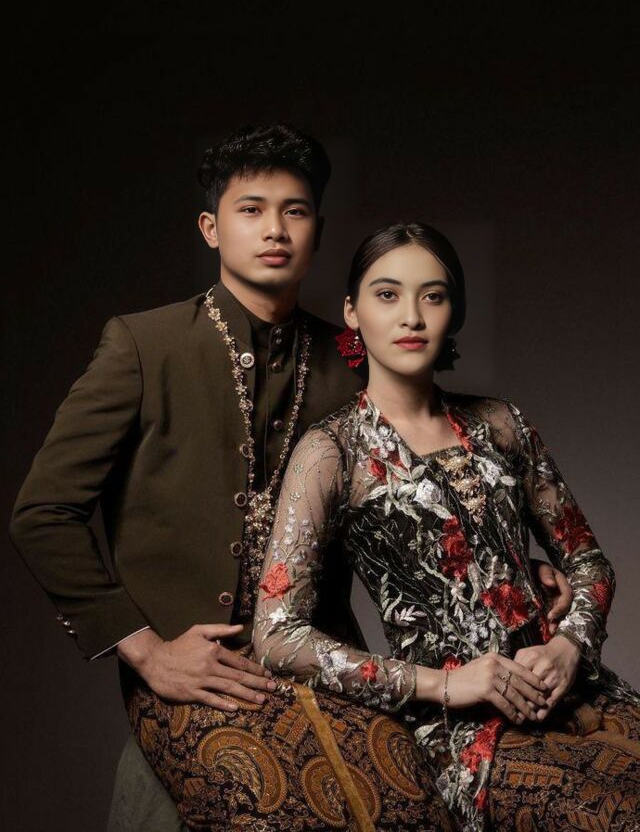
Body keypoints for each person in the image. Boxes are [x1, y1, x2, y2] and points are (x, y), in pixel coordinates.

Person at [10, 124, 571, 831]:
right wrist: (147, 652)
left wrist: (513, 564)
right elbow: (43, 514)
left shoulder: (352, 361)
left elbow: (422, 484)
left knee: (413, 811)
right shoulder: (145, 346)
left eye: (294, 211)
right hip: (193, 676)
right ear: (211, 229)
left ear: (317, 232)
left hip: (325, 666)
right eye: (251, 210)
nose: (274, 229)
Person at [253, 222, 640, 831]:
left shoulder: (501, 423)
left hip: (574, 689)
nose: (412, 316)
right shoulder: (332, 453)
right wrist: (447, 684)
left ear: (453, 311)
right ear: (352, 312)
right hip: (465, 732)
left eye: (432, 296)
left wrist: (570, 647)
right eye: (387, 295)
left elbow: (589, 563)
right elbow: (276, 635)